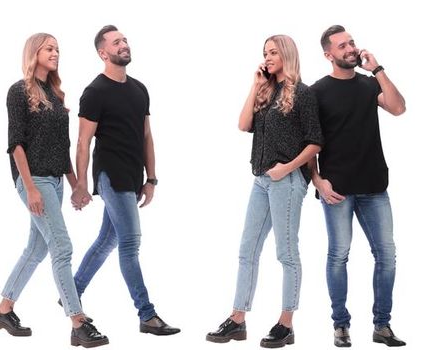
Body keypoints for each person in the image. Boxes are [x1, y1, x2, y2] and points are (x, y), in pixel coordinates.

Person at [0, 32, 108, 348]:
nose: (55, 53)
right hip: (34, 181)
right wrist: (29, 188)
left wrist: (77, 186)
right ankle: (78, 322)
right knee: (62, 247)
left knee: (37, 249)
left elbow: (62, 147)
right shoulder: (18, 92)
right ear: (34, 53)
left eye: (57, 48)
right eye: (49, 48)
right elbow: (15, 143)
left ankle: (4, 311)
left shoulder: (56, 95)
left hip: (55, 181)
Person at [205, 35, 321, 349]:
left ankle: (286, 324)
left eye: (272, 52)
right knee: (247, 251)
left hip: (287, 180)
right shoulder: (266, 91)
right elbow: (243, 125)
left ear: (286, 54)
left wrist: (287, 168)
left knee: (286, 253)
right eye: (264, 53)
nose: (267, 58)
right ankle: (238, 319)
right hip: (260, 180)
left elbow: (315, 143)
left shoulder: (303, 94)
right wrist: (255, 85)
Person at [68, 25, 180, 338]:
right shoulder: (94, 92)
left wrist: (152, 178)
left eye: (125, 40)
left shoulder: (139, 89)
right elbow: (82, 142)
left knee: (107, 241)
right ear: (103, 53)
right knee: (130, 243)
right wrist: (79, 184)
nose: (124, 45)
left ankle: (69, 293)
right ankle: (147, 314)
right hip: (110, 174)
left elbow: (147, 136)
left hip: (133, 177)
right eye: (116, 42)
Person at [310, 25, 408, 348]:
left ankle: (382, 325)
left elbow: (398, 107)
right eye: (342, 46)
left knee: (388, 256)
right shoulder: (317, 92)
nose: (350, 48)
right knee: (338, 256)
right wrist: (318, 180)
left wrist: (377, 69)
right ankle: (340, 324)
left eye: (351, 43)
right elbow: (308, 142)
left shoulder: (368, 85)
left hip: (374, 187)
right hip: (336, 190)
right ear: (329, 54)